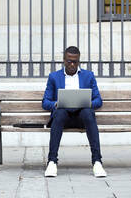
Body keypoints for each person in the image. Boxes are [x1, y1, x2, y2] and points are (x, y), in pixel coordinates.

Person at [42, 46, 107, 178]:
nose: (72, 64)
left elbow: (98, 100)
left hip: (82, 118)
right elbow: (45, 102)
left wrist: (86, 103)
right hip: (63, 118)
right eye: (69, 61)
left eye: (75, 61)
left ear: (79, 61)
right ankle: (52, 161)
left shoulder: (88, 76)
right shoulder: (54, 77)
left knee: (88, 112)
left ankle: (97, 162)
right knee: (59, 113)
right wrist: (56, 103)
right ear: (63, 60)